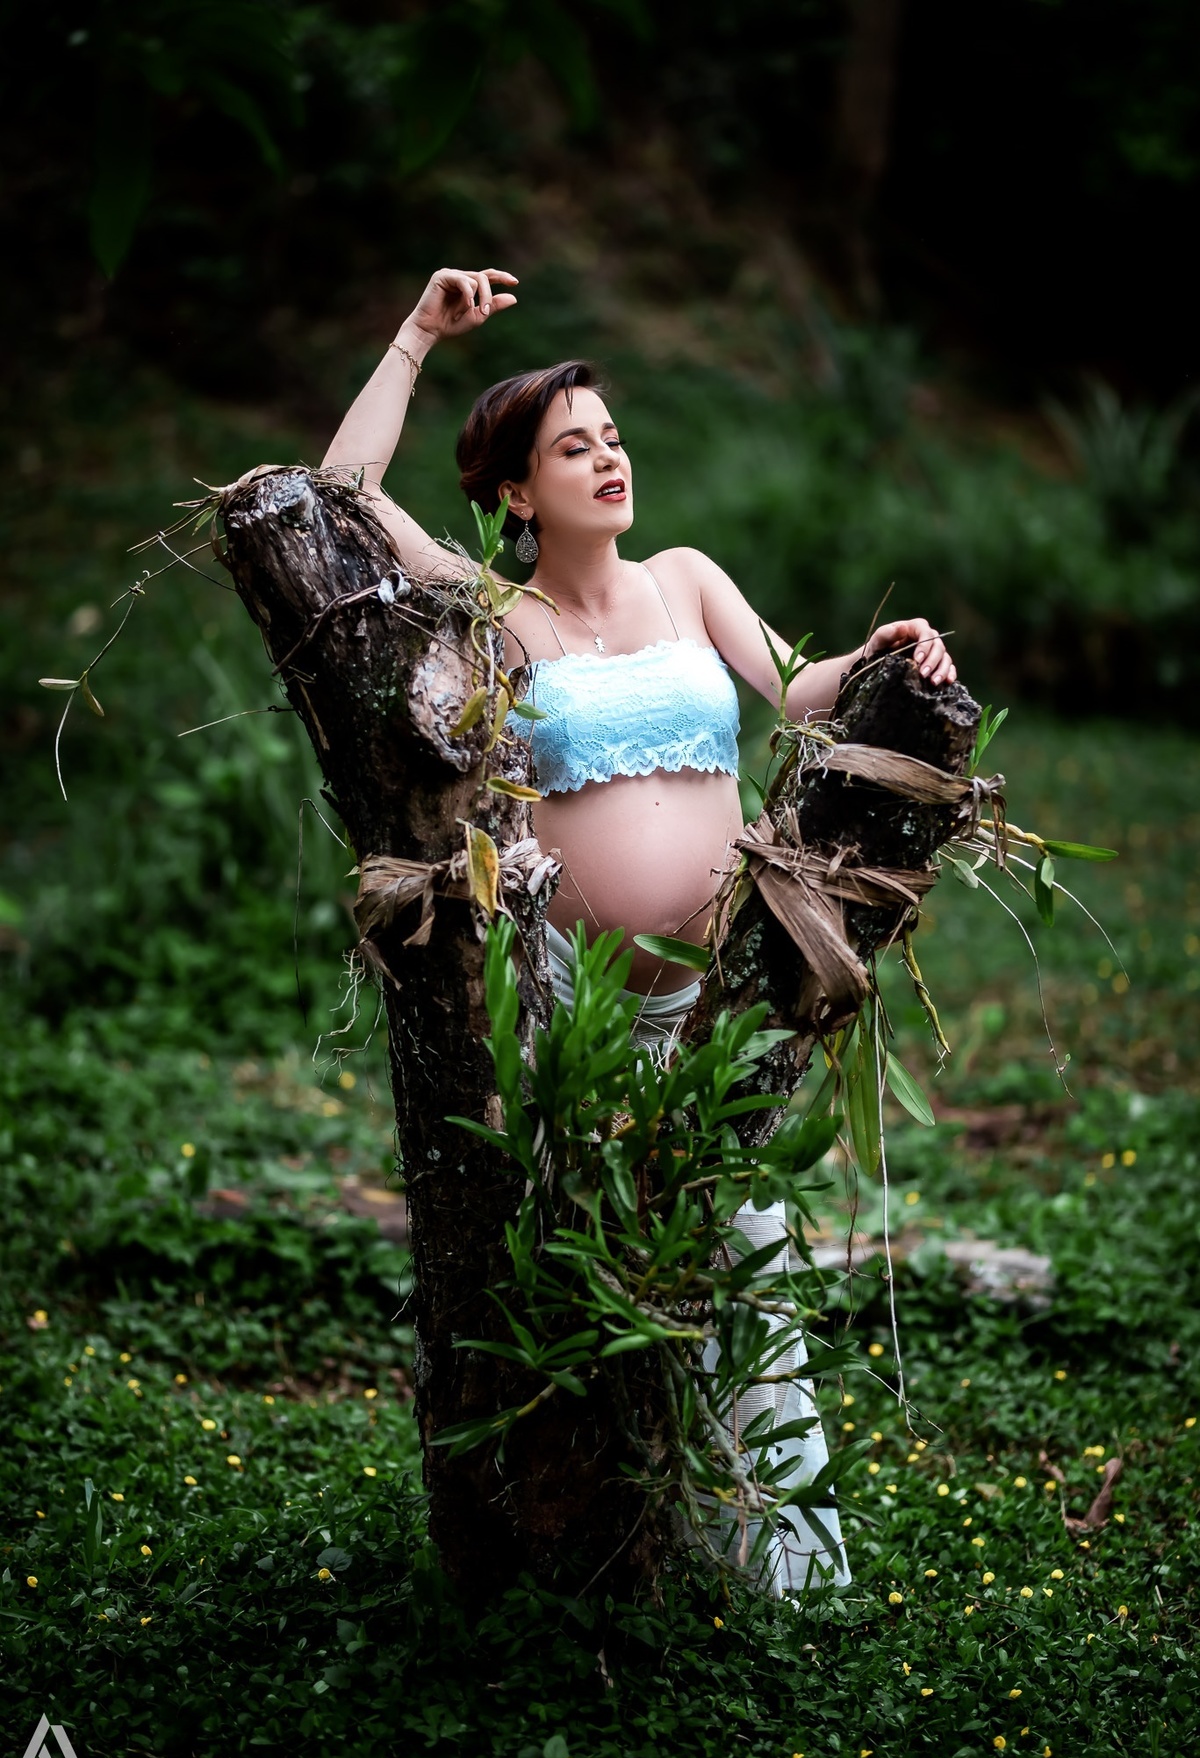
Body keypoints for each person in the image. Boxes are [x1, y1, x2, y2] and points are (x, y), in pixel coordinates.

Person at [322, 265, 957, 1597]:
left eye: (611, 437)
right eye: (571, 447)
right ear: (513, 493)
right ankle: (598, 1559)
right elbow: (343, 498)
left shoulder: (685, 579)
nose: (607, 458)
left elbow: (800, 689)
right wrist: (420, 335)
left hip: (718, 1004)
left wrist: (897, 649)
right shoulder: (504, 617)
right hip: (572, 1018)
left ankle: (760, 1565)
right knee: (593, 1275)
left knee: (736, 1257)